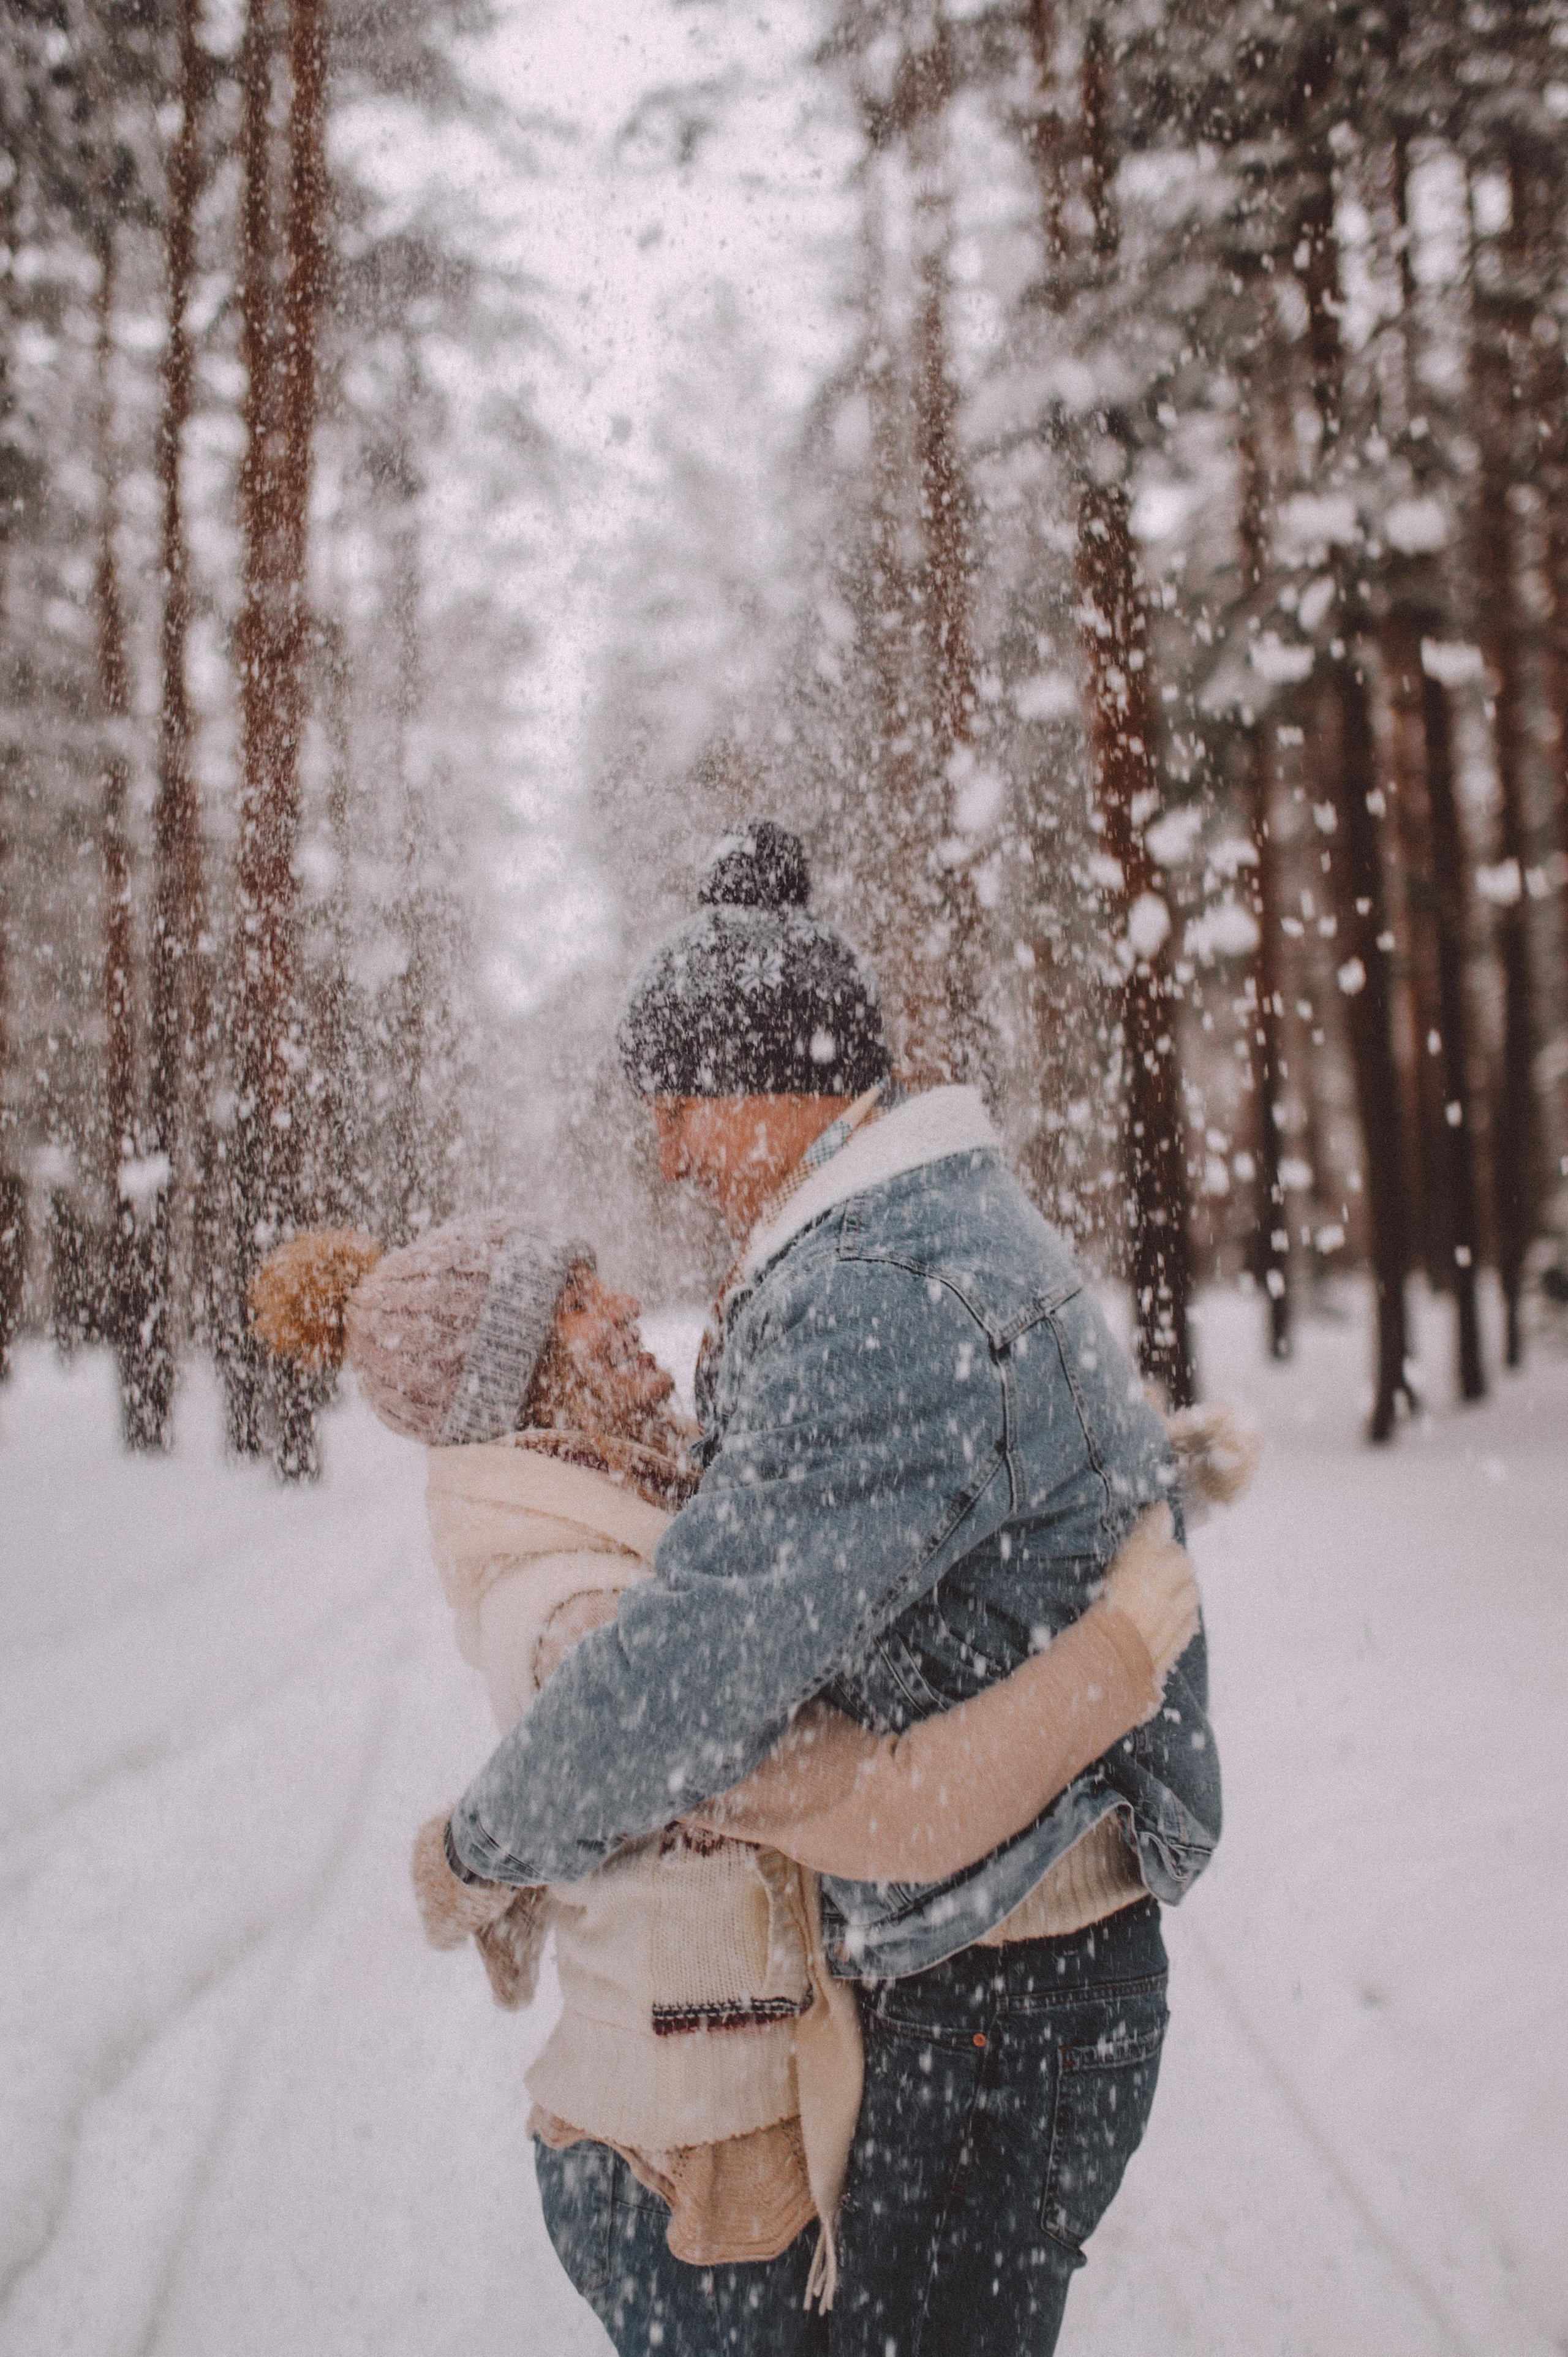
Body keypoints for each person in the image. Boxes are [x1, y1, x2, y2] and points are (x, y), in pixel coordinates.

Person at [435, 820, 1233, 2354]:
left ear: (760, 1085)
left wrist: (479, 1847)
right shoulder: (899, 1240)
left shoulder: (875, 1289)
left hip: (1000, 1991)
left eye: (675, 1107)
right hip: (992, 1979)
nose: (665, 1151)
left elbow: (694, 1670)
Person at [251, 1211, 1210, 2354]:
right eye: (571, 1302)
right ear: (511, 1390)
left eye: (593, 1274)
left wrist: (1103, 1472)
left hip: (747, 2157)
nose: (614, 1308)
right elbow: (887, 1808)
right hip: (686, 2192)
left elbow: (870, 1530)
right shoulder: (581, 1613)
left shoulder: (648, 1507)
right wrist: (1117, 1660)